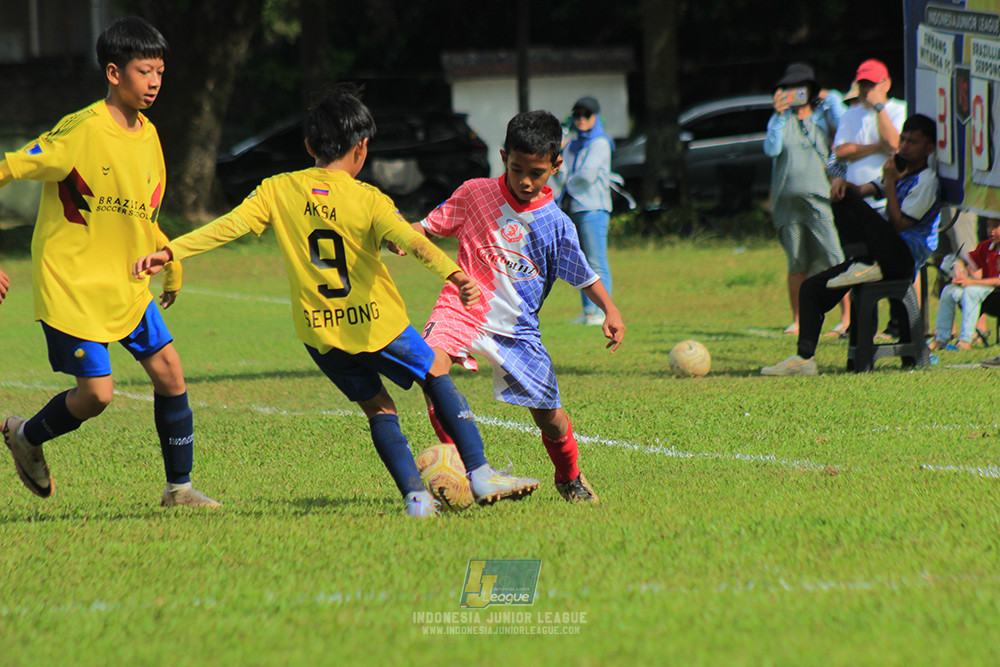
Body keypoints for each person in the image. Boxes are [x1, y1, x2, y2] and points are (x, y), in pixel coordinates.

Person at [133, 84, 539, 518]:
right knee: (436, 370)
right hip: (376, 324)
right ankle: (479, 471)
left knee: (379, 408)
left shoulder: (277, 189)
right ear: (362, 149)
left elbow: (226, 226)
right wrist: (455, 274)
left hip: (322, 333)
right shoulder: (369, 199)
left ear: (309, 145)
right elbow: (410, 240)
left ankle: (417, 500)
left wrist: (172, 250)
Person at [0, 17, 219, 507]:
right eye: (146, 71)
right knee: (97, 396)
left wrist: (171, 255)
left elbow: (142, 211)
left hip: (127, 283)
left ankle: (179, 489)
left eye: (161, 71)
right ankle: (25, 436)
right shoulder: (80, 130)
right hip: (72, 284)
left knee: (170, 372)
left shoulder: (151, 136)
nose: (156, 81)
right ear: (114, 73)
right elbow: (9, 168)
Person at [410, 110, 625, 503]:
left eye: (537, 172)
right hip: (461, 309)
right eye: (516, 168)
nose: (525, 180)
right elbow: (427, 226)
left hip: (518, 329)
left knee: (551, 417)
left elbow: (586, 275)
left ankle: (570, 478)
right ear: (503, 156)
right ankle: (467, 469)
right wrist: (398, 234)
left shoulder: (556, 224)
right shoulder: (474, 193)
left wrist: (610, 310)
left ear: (556, 165)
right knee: (431, 372)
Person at [762, 114, 941, 376]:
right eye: (902, 139)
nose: (903, 146)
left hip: (900, 259)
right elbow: (863, 190)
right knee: (811, 288)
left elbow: (900, 224)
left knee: (846, 201)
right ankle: (804, 359)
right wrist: (842, 184)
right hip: (878, 257)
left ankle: (863, 262)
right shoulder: (900, 172)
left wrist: (889, 182)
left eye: (912, 142)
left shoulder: (927, 180)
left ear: (929, 148)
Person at [764, 62, 850, 337]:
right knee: (796, 262)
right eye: (787, 89)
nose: (793, 93)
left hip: (820, 198)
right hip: (786, 203)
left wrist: (830, 97)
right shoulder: (779, 120)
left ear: (810, 90)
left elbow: (844, 123)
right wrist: (778, 116)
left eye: (799, 88)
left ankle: (847, 317)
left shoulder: (823, 117)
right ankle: (798, 319)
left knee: (835, 257)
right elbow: (771, 149)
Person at [556, 96, 615, 326]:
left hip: (594, 209)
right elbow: (561, 176)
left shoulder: (600, 143)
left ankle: (603, 312)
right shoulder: (571, 144)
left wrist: (567, 176)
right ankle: (589, 312)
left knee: (597, 261)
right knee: (582, 263)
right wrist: (558, 155)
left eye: (586, 115)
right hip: (574, 209)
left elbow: (587, 176)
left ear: (595, 117)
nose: (581, 119)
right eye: (577, 115)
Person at [833, 59, 907, 212]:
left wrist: (879, 108)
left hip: (886, 202)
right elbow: (840, 152)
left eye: (872, 84)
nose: (867, 90)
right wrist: (879, 146)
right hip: (856, 201)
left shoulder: (899, 109)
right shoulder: (850, 114)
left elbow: (894, 145)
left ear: (886, 84)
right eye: (863, 85)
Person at [930, 218, 1000, 350]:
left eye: (996, 227)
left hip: (995, 294)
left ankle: (965, 340)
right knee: (949, 291)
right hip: (985, 290)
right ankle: (941, 338)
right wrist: (959, 268)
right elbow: (965, 259)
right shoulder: (985, 246)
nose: (991, 231)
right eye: (988, 226)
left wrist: (971, 282)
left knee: (970, 291)